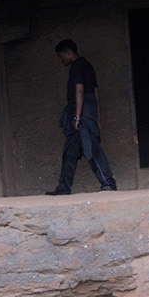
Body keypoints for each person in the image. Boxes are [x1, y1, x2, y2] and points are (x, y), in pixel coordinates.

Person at [49, 38, 118, 195]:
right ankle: (64, 187)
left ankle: (108, 183)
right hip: (84, 112)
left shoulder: (77, 66)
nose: (61, 60)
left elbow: (80, 90)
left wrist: (78, 117)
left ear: (68, 52)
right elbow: (96, 94)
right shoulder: (88, 66)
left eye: (61, 56)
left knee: (91, 148)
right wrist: (98, 119)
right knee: (70, 151)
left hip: (82, 114)